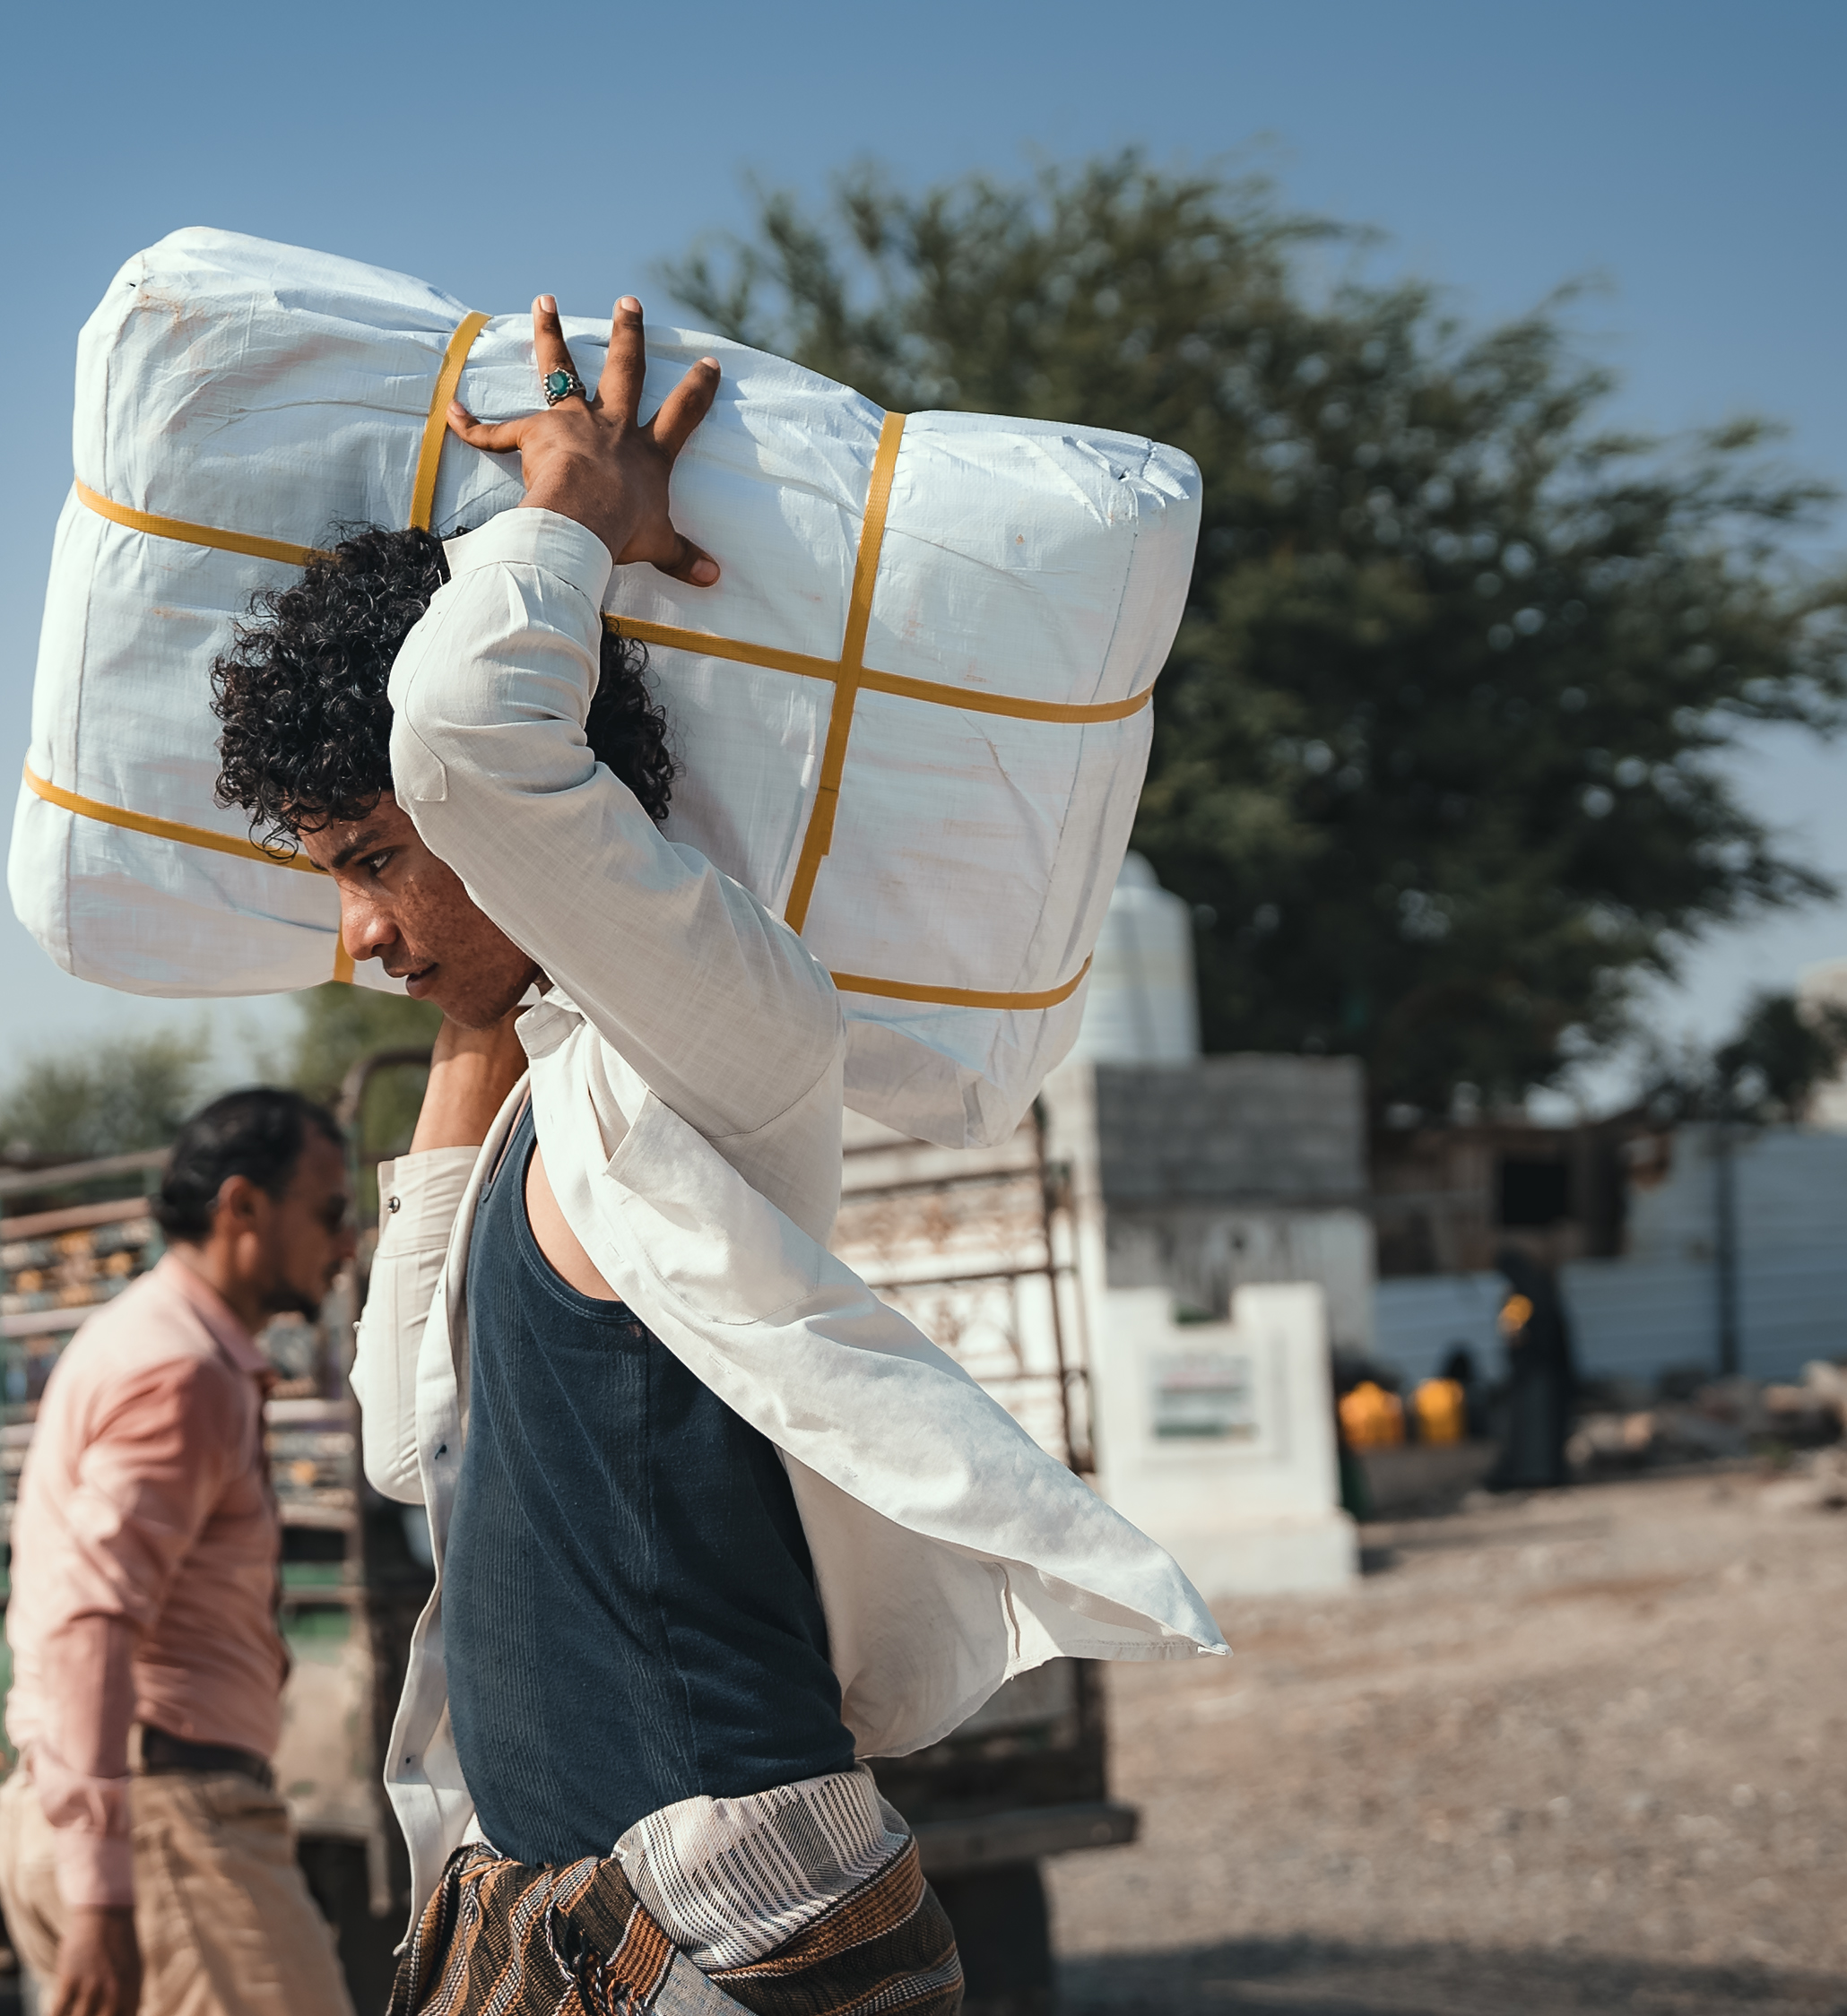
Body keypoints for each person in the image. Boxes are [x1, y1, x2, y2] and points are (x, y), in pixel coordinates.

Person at [208, 295, 1220, 2016]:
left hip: (740, 1931)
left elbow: (464, 727)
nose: (361, 930)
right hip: (555, 1922)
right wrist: (466, 1002)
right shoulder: (540, 1091)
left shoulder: (723, 1037)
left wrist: (571, 529)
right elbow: (404, 1433)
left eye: (378, 855)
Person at [0, 1088, 363, 2016]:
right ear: (243, 1207)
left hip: (110, 1812)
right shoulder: (179, 1368)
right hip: (170, 1824)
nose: (344, 1241)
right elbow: (92, 1619)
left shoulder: (147, 1338)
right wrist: (102, 1886)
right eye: (327, 1211)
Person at [1482, 1243, 1580, 1492]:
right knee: (1544, 1426)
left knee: (1532, 1427)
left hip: (1533, 1375)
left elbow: (1515, 1334)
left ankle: (1533, 1474)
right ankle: (1545, 1473)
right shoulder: (1542, 1290)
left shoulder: (1521, 1298)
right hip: (1550, 1373)